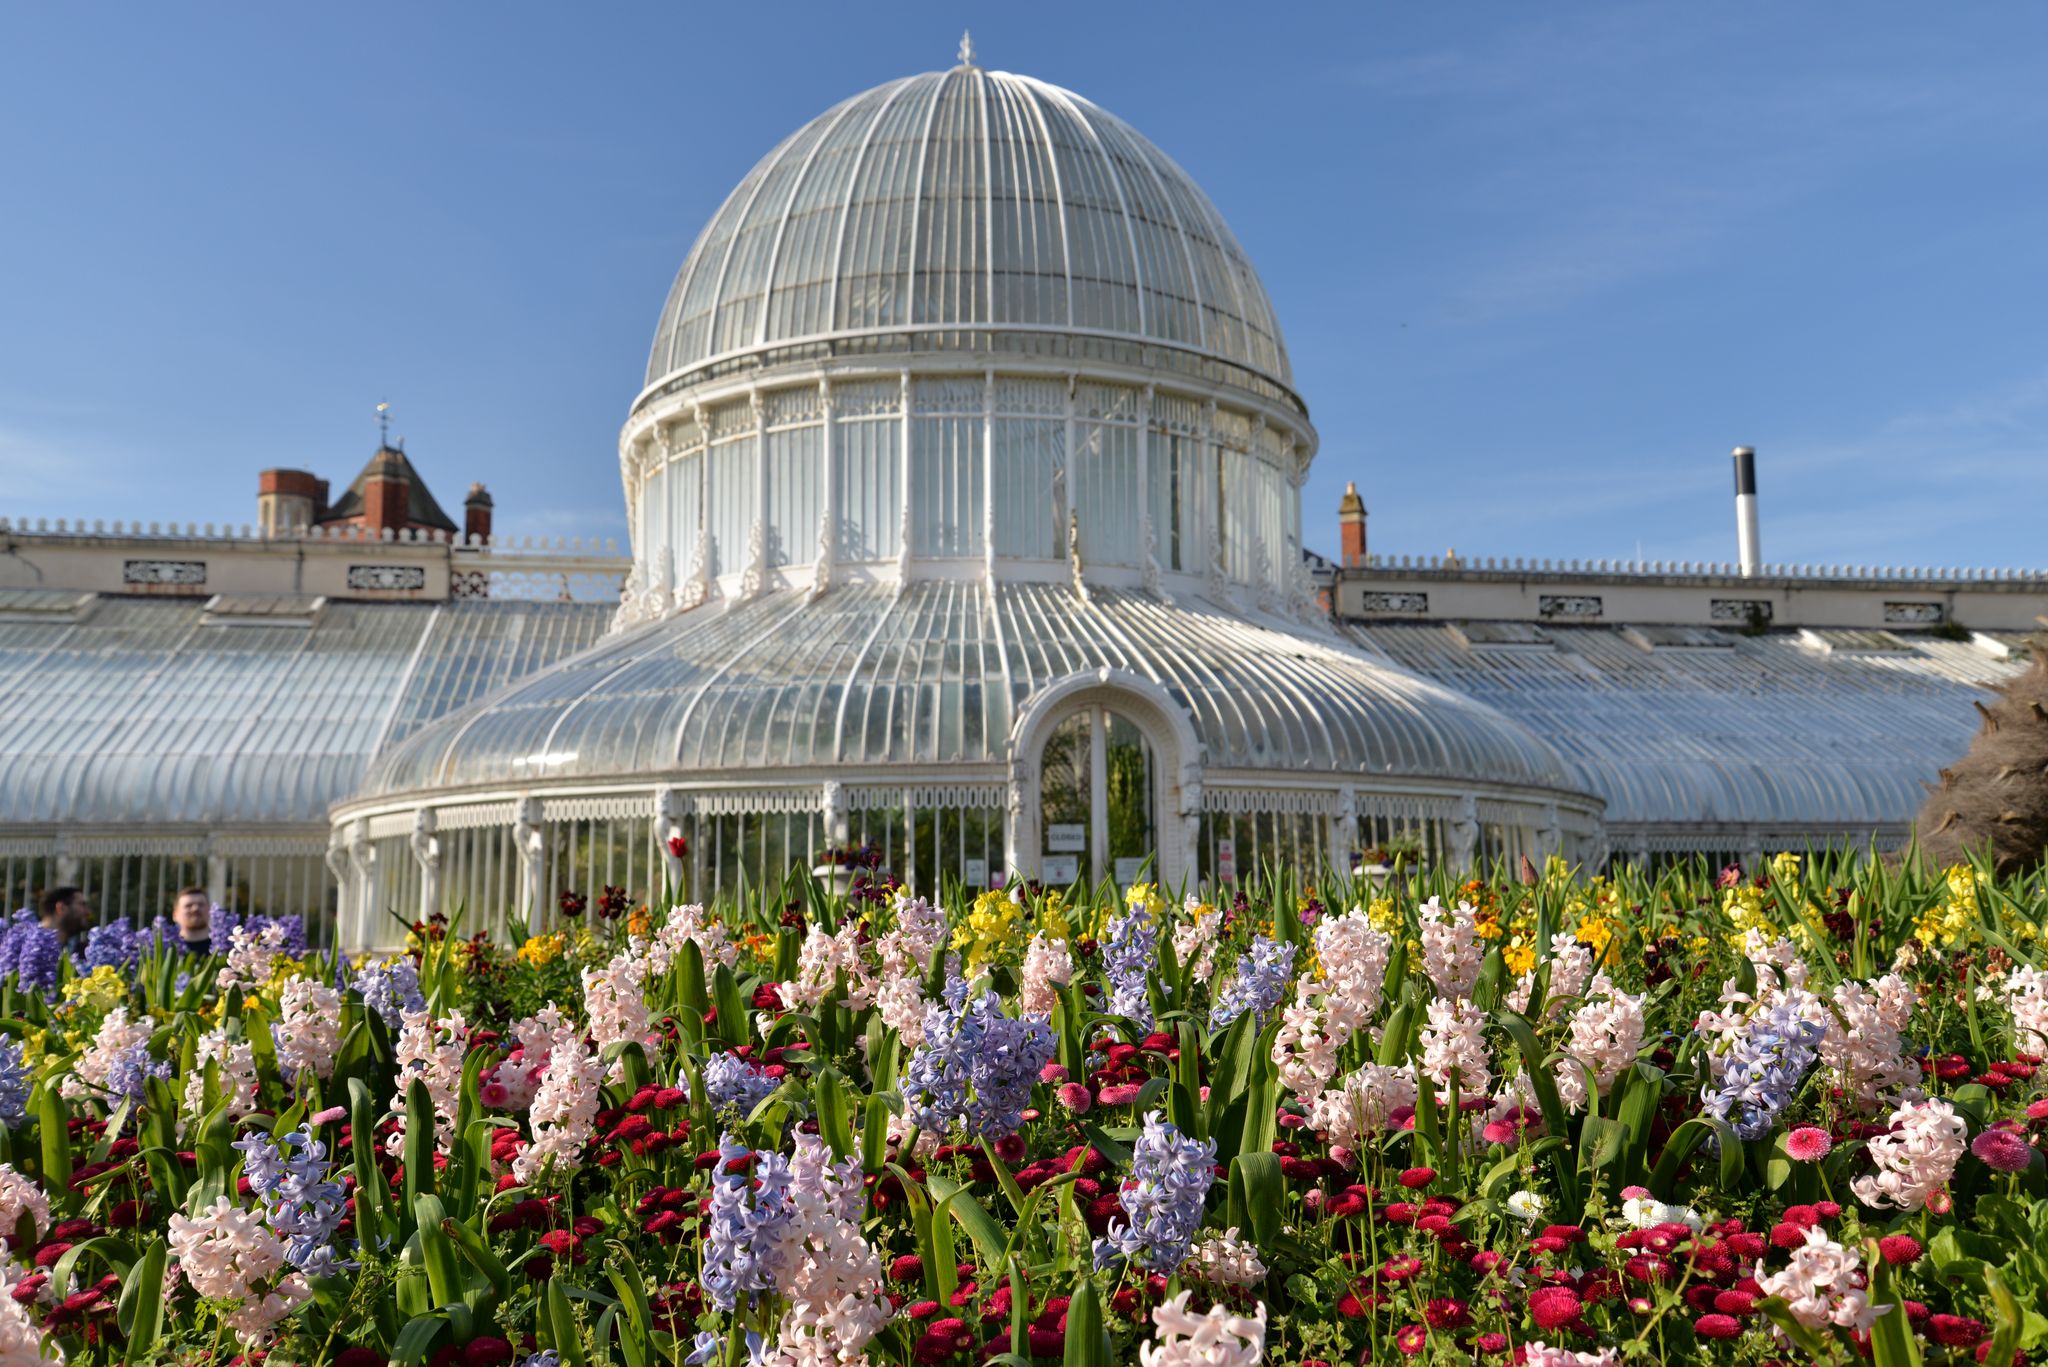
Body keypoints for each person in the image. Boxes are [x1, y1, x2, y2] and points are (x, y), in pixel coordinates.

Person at [37, 885, 92, 952]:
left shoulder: (83, 952)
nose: (88, 912)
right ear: (61, 908)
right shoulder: (25, 947)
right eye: (82, 904)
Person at [170, 886, 212, 956]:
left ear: (210, 911)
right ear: (175, 915)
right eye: (188, 905)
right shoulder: (168, 950)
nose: (195, 908)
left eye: (201, 904)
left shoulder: (226, 948)